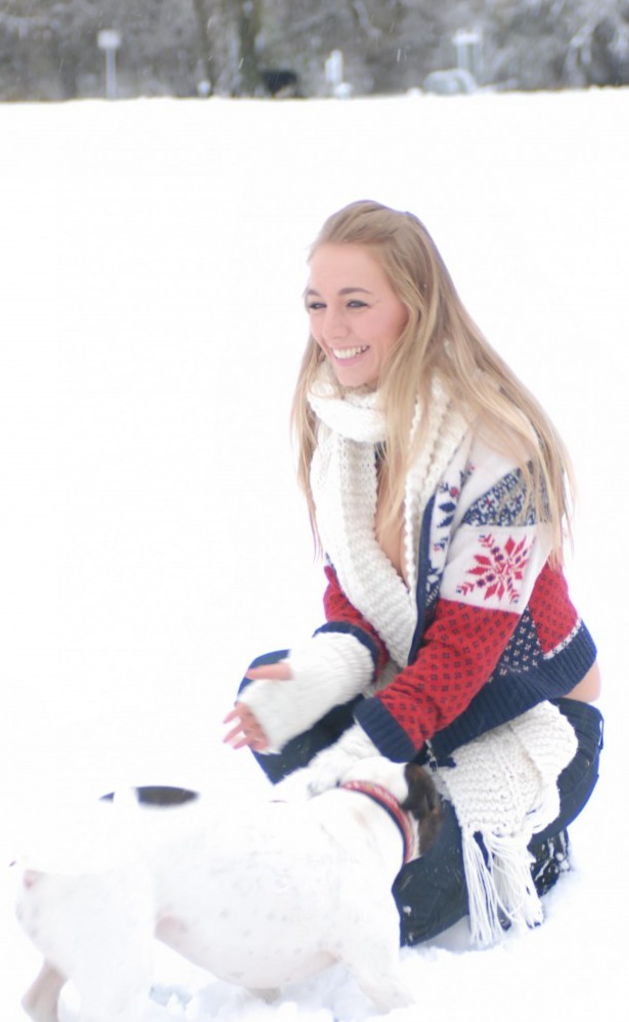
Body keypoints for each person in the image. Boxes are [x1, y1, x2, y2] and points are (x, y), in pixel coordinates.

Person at [223, 200, 603, 947]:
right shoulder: (340, 426)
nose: (332, 328)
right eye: (317, 304)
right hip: (418, 697)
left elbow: (465, 654)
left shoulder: (499, 449)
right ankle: (378, 813)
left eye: (356, 303)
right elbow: (357, 599)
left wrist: (345, 764)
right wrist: (313, 679)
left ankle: (532, 841)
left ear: (414, 306)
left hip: (535, 722)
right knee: (271, 696)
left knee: (389, 909)